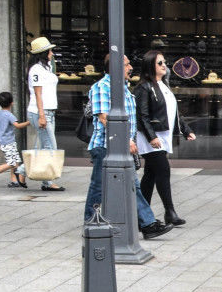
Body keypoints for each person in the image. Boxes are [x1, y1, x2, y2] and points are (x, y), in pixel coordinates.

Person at [83, 55, 170, 239]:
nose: (131, 67)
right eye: (127, 64)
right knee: (99, 187)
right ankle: (91, 223)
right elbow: (105, 118)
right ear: (115, 67)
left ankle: (148, 224)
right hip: (105, 146)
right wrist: (127, 141)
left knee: (133, 185)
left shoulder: (123, 89)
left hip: (122, 147)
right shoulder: (101, 87)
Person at [135, 49, 196, 226]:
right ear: (150, 65)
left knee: (151, 175)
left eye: (164, 62)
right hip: (150, 138)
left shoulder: (164, 85)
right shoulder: (144, 87)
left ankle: (141, 215)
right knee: (163, 170)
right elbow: (142, 115)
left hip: (162, 136)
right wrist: (151, 136)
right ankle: (170, 212)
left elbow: (174, 113)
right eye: (160, 63)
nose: (164, 66)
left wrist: (186, 129)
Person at [26, 36, 64, 192]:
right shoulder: (36, 70)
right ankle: (48, 182)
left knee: (44, 146)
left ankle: (22, 171)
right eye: (50, 50)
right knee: (50, 146)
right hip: (40, 112)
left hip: (48, 112)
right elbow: (37, 94)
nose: (52, 52)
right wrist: (42, 115)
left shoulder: (45, 68)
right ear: (43, 52)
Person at [0, 92, 29, 188]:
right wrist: (29, 122)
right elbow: (18, 126)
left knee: (15, 160)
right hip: (8, 142)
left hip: (3, 142)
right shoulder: (9, 115)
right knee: (11, 163)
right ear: (12, 103)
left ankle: (14, 180)